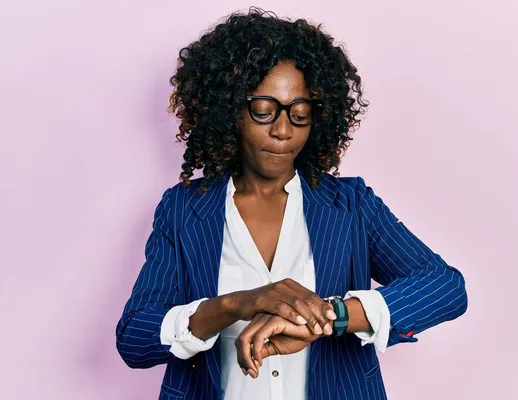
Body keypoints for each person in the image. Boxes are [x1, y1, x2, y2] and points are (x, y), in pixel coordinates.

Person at [116, 8, 468, 400]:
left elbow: (444, 287)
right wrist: (237, 304)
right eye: (264, 111)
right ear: (230, 109)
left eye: (299, 115)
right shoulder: (183, 209)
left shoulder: (351, 205)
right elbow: (135, 337)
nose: (282, 131)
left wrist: (330, 318)